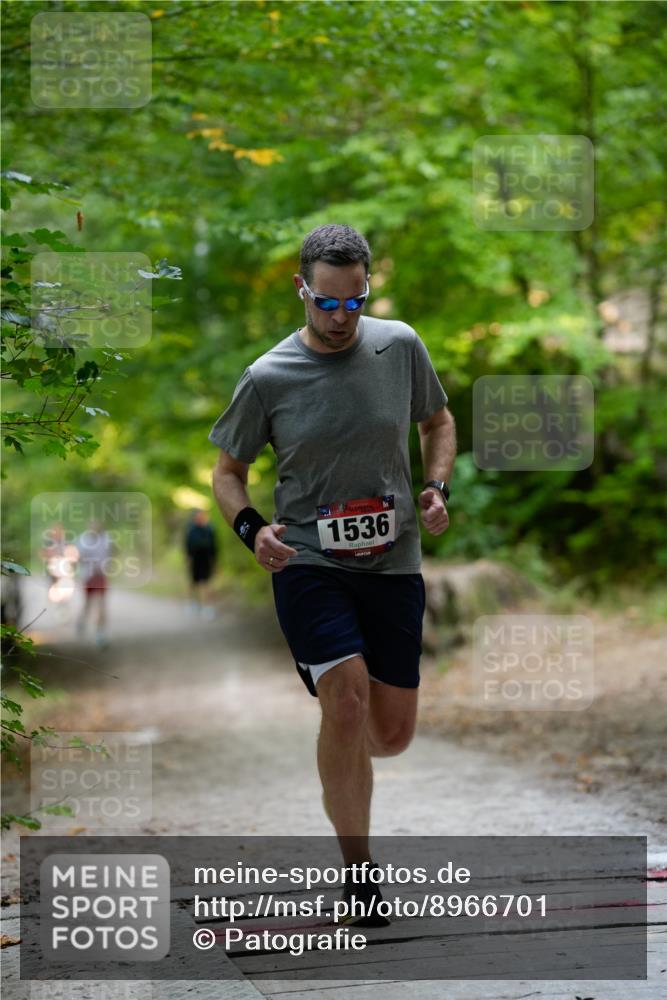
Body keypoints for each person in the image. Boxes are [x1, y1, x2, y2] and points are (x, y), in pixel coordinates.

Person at [208, 224, 456, 926]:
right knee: (344, 703)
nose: (340, 318)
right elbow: (228, 472)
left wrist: (437, 488)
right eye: (326, 304)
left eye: (354, 304)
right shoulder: (267, 376)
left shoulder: (398, 346)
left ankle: (349, 742)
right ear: (302, 290)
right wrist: (252, 530)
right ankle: (359, 872)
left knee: (390, 734)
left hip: (393, 559)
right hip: (309, 560)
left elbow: (437, 423)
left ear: (366, 289)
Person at [74, 519, 114, 647]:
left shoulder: (106, 538)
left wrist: (107, 564)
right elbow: (78, 557)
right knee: (88, 603)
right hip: (88, 576)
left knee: (101, 604)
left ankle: (100, 633)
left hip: (101, 575)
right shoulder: (83, 540)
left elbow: (112, 552)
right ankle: (81, 623)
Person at [184, 508, 218, 620]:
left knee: (206, 583)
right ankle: (191, 604)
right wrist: (188, 560)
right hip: (194, 559)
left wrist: (215, 562)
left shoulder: (209, 530)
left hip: (205, 560)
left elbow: (214, 547)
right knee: (192, 583)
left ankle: (206, 607)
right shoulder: (191, 530)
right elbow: (187, 546)